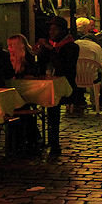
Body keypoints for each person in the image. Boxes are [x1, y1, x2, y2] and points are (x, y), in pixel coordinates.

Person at [37, 17, 79, 157]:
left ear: (62, 31)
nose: (51, 32)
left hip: (63, 85)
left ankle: (54, 143)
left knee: (53, 113)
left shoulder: (71, 46)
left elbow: (63, 65)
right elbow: (41, 64)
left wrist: (50, 49)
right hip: (46, 83)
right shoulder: (51, 45)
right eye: (50, 29)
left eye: (54, 29)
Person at [74, 19, 102, 111]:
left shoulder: (75, 44)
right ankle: (101, 101)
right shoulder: (96, 47)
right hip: (92, 77)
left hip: (77, 76)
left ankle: (78, 102)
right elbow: (100, 64)